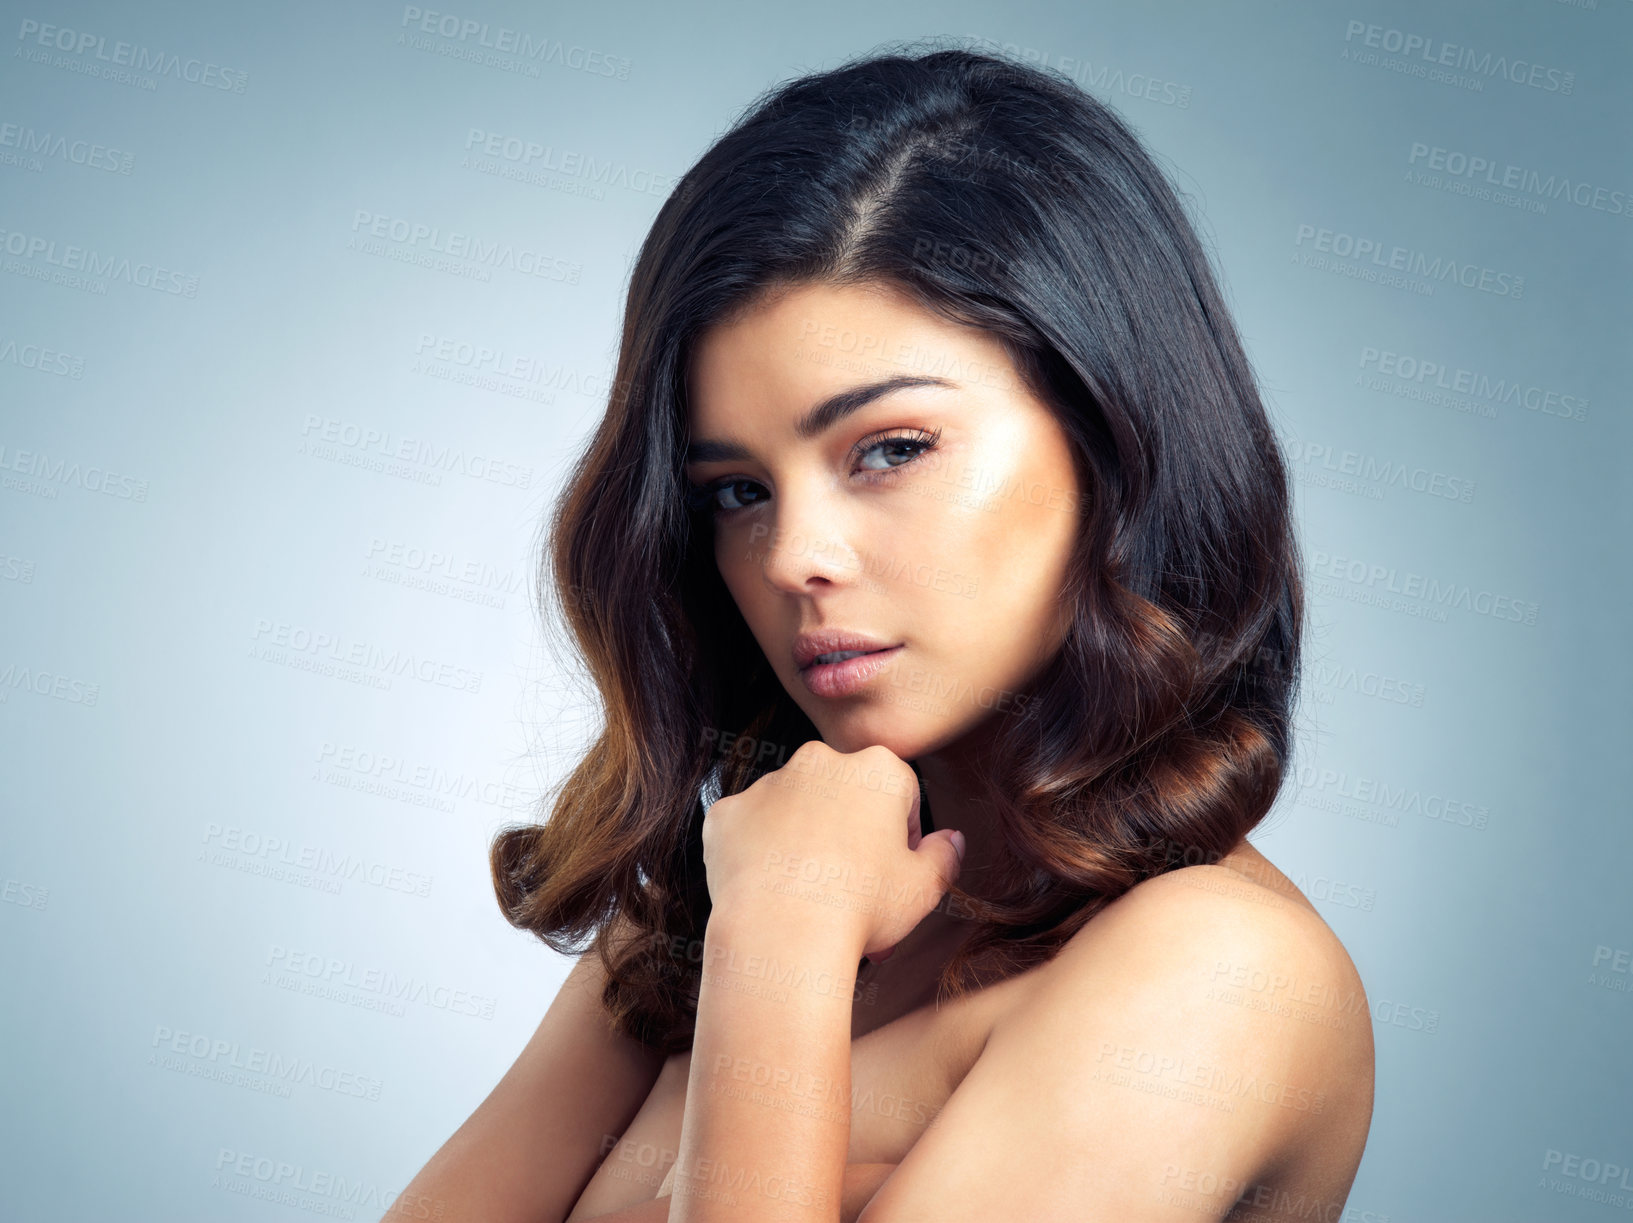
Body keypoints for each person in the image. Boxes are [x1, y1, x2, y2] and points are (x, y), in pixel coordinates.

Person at [387, 40, 1375, 1223]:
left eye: (891, 449)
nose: (795, 554)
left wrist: (788, 945)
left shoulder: (1219, 974)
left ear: (1111, 445)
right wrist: (770, 910)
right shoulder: (720, 889)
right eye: (735, 490)